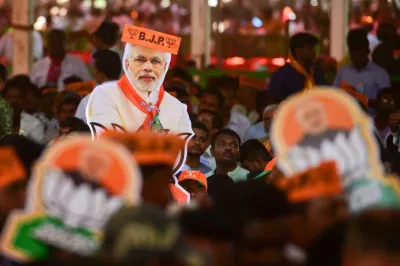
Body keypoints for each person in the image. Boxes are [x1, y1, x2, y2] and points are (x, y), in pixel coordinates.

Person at [86, 31, 193, 138]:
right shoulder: (105, 95)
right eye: (140, 60)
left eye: (155, 61)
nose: (147, 68)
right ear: (127, 64)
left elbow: (181, 151)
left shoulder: (178, 108)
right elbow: (110, 144)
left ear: (165, 67)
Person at [334, 29, 391, 113]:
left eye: (359, 54)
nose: (356, 58)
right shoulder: (343, 71)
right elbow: (334, 95)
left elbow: (388, 104)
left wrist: (365, 101)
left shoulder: (380, 74)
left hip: (371, 122)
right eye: (353, 54)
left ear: (367, 51)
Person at [265, 33, 328, 103]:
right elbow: (272, 103)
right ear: (298, 50)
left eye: (314, 48)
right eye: (310, 48)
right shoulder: (282, 75)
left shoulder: (317, 72)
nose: (314, 52)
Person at [75, 50, 122, 123]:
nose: (93, 73)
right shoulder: (137, 98)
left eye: (93, 70)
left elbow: (76, 131)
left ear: (101, 76)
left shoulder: (88, 102)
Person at [2, 76, 45, 143]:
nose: (14, 101)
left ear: (23, 99)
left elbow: (36, 150)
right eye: (11, 97)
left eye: (18, 97)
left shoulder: (34, 124)